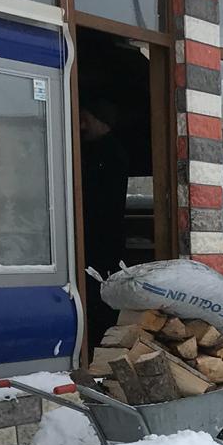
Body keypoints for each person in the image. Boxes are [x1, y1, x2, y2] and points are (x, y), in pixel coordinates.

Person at [79, 99, 130, 348]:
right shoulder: (104, 151)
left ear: (101, 121)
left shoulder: (107, 154)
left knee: (101, 301)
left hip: (100, 242)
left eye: (85, 119)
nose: (81, 126)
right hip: (99, 240)